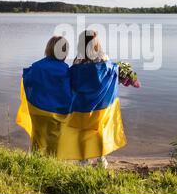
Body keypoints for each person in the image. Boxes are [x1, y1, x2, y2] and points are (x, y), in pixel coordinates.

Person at [70, 30, 127, 168]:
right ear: (96, 43)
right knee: (99, 129)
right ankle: (101, 160)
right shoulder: (102, 58)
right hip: (100, 102)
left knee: (82, 131)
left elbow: (73, 80)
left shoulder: (78, 60)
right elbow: (111, 73)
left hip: (82, 103)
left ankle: (83, 161)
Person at [16, 36, 72, 156]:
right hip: (57, 113)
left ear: (48, 49)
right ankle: (51, 162)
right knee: (54, 139)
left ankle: (36, 160)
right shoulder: (66, 70)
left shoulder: (37, 66)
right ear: (64, 52)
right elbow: (69, 91)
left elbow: (27, 80)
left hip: (37, 110)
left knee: (38, 138)